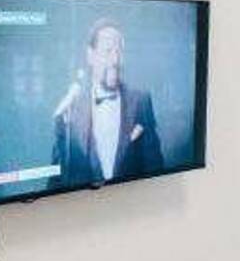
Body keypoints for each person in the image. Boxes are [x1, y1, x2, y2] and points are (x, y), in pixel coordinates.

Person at [52, 19, 164, 187]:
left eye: (119, 52)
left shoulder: (141, 102)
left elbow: (155, 168)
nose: (115, 60)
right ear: (91, 55)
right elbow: (57, 180)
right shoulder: (71, 109)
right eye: (108, 51)